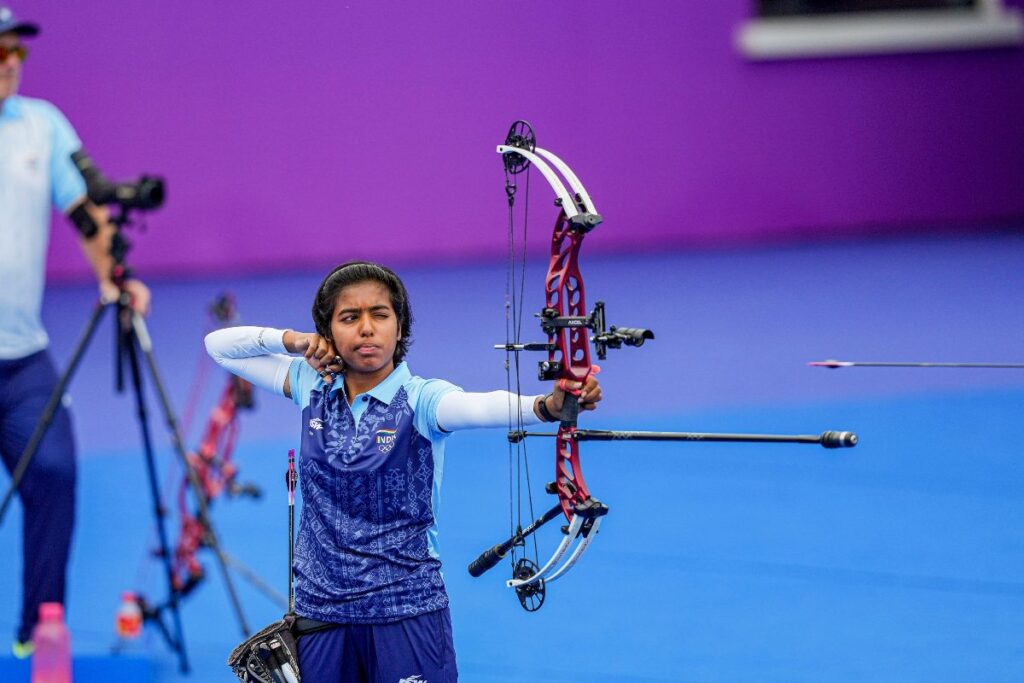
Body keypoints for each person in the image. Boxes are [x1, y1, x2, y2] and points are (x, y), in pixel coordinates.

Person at [205, 261, 601, 682]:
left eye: (380, 314)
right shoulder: (311, 385)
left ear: (399, 325)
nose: (366, 328)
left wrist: (545, 407)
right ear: (328, 331)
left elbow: (478, 406)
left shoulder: (423, 400)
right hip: (322, 611)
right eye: (349, 317)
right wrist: (294, 341)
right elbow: (219, 345)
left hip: (406, 609)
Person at [0, 5, 150, 655]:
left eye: (16, 53)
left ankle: (38, 630)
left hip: (23, 357)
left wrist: (114, 273)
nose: (9, 63)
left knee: (55, 472)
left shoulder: (42, 124)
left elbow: (87, 211)